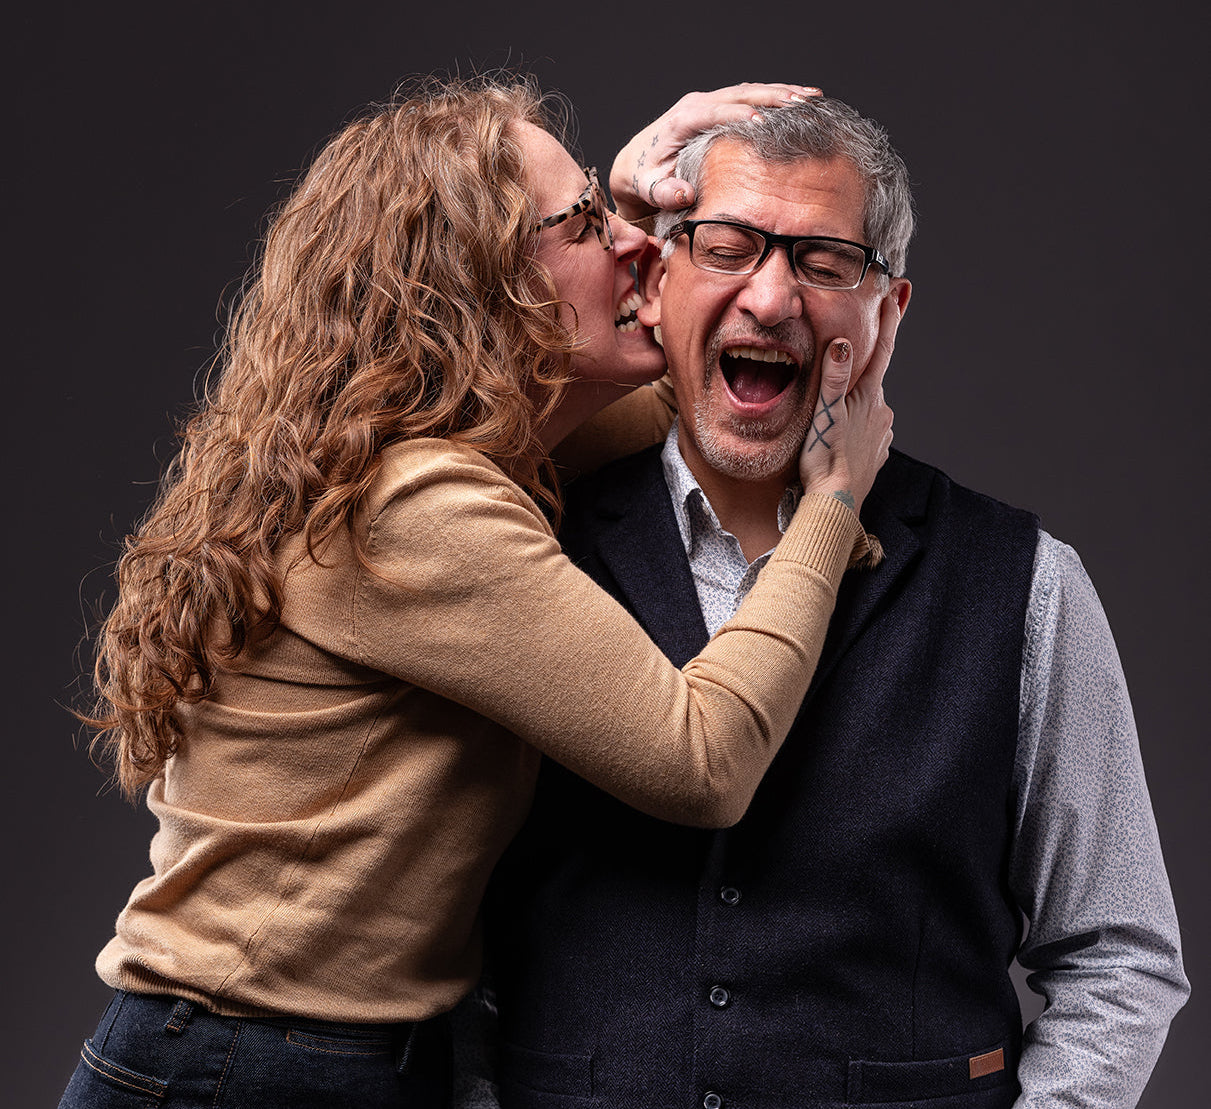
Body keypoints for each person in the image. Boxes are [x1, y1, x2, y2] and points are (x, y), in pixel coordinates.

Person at [59, 78, 898, 1108]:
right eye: (587, 222)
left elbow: (714, 415)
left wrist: (642, 221)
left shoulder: (449, 454)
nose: (640, 244)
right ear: (484, 286)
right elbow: (703, 756)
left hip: (316, 1056)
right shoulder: (413, 505)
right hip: (239, 1067)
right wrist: (833, 498)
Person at [483, 97, 1189, 1109]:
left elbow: (1120, 958)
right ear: (655, 276)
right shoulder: (524, 549)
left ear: (886, 313)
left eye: (822, 263)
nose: (770, 300)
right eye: (724, 247)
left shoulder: (1027, 585)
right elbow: (442, 936)